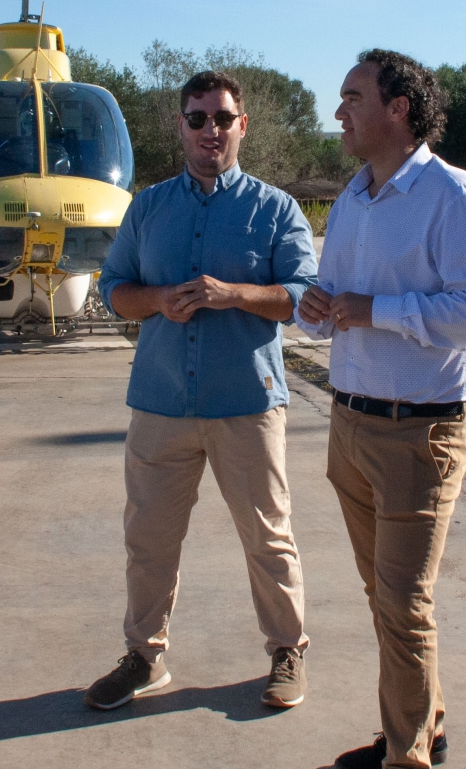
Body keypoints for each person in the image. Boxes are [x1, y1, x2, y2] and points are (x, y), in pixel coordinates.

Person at [296, 50, 466, 769]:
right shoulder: (354, 196)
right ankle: (422, 724)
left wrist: (374, 309)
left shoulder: (452, 194)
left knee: (403, 604)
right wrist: (318, 309)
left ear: (398, 109)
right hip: (349, 422)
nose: (339, 111)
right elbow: (333, 303)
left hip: (420, 432)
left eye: (351, 97)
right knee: (384, 599)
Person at [86, 70, 318, 712]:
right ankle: (143, 656)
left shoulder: (275, 210)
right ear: (180, 126)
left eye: (222, 118)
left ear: (242, 125)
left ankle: (287, 649)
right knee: (148, 538)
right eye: (197, 118)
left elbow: (302, 297)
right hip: (160, 405)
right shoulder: (149, 207)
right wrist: (157, 300)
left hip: (246, 403)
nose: (209, 130)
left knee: (268, 537)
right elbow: (113, 291)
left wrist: (232, 294)